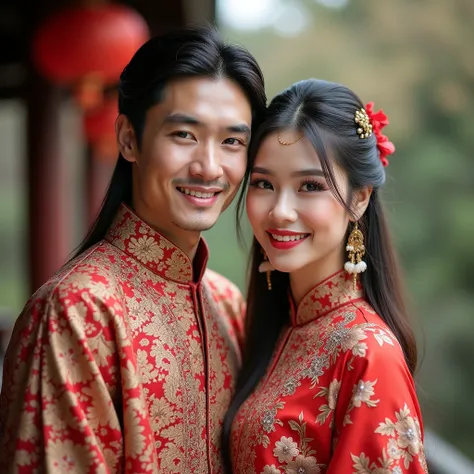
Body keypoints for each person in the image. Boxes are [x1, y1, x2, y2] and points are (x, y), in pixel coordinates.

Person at [0, 25, 266, 473]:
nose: (209, 166)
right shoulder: (76, 311)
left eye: (232, 141)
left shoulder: (227, 304)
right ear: (128, 139)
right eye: (184, 135)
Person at [223, 79, 428, 473]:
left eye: (310, 186)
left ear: (359, 198)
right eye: (264, 183)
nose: (280, 210)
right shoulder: (277, 327)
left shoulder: (368, 354)